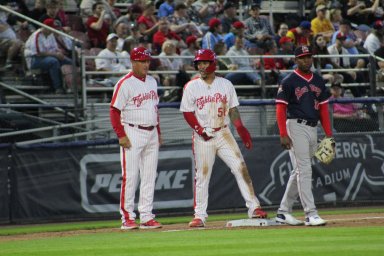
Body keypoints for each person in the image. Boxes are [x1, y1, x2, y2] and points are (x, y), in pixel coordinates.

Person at [179, 48, 268, 228]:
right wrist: (199, 129)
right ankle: (199, 216)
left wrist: (241, 128)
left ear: (213, 64)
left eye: (204, 63)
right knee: (202, 175)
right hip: (203, 135)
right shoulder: (191, 86)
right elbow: (187, 112)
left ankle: (254, 208)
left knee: (240, 167)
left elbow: (233, 110)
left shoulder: (226, 84)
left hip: (223, 132)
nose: (201, 66)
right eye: (199, 63)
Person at [275, 45, 333, 226]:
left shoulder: (318, 80)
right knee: (304, 170)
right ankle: (311, 214)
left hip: (312, 127)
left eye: (308, 56)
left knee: (298, 171)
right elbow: (280, 108)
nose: (306, 60)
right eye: (302, 57)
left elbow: (324, 108)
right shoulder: (289, 81)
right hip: (295, 126)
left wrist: (329, 135)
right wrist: (283, 133)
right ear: (295, 60)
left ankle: (283, 212)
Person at [109, 46, 162, 230]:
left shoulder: (152, 81)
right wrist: (121, 134)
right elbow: (114, 110)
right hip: (132, 131)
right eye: (142, 61)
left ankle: (146, 216)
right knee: (130, 176)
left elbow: (155, 109)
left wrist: (159, 133)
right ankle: (127, 217)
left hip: (152, 132)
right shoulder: (125, 83)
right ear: (133, 62)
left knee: (149, 176)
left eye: (147, 61)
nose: (146, 64)